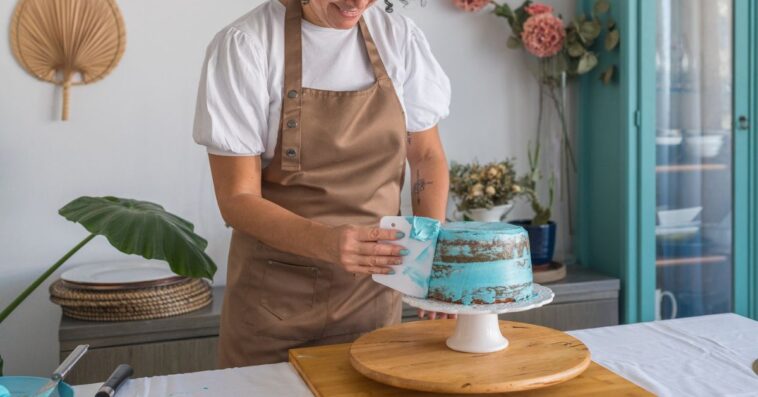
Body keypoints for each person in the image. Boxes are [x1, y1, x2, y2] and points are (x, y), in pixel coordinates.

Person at [193, 0, 451, 367]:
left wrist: (430, 258)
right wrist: (328, 243)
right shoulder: (246, 45)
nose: (357, 3)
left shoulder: (398, 38)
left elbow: (426, 156)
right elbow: (236, 197)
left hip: (372, 300)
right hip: (274, 309)